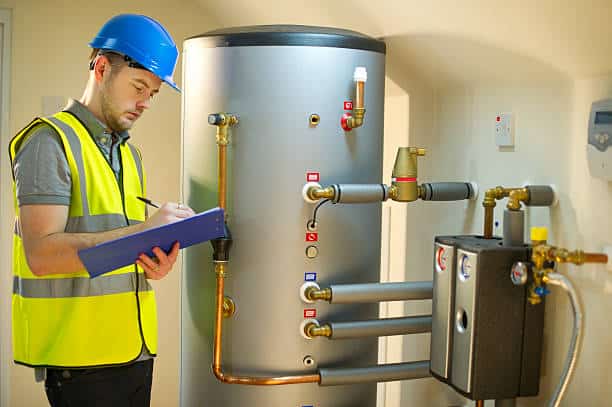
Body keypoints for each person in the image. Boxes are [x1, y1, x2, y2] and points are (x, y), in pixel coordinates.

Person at [9, 14, 193, 407]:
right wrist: (143, 234)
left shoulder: (129, 154)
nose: (145, 102)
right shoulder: (49, 141)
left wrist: (152, 259)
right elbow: (40, 255)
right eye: (139, 86)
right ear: (102, 67)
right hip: (82, 362)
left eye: (154, 93)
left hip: (134, 352)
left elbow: (114, 244)